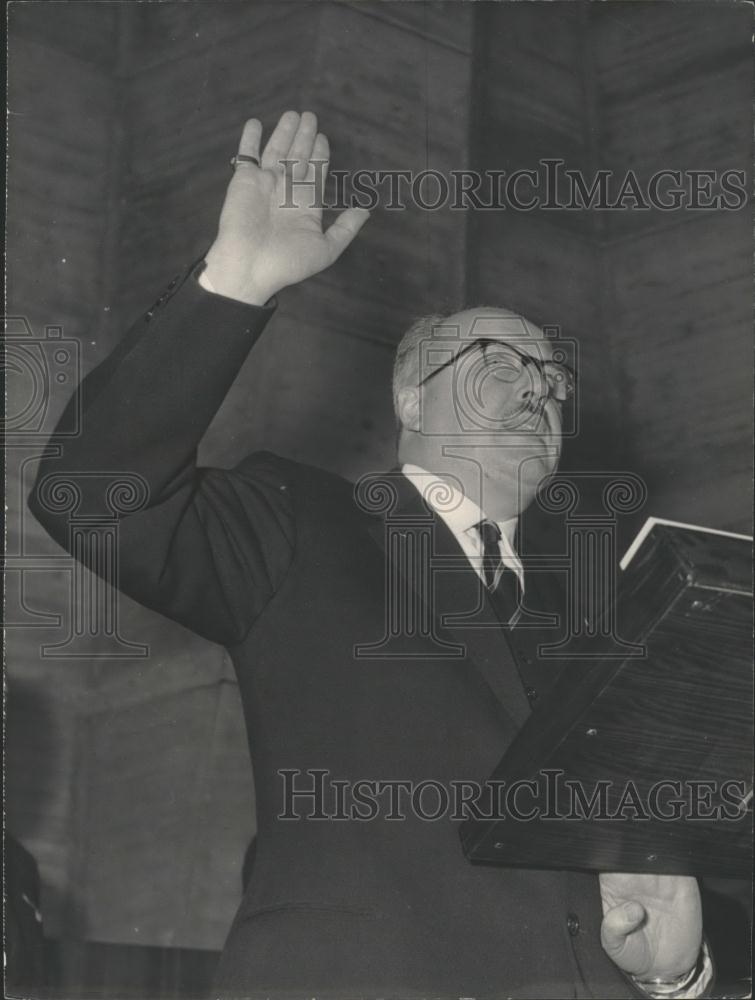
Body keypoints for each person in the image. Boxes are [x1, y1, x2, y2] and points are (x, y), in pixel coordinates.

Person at [30, 111, 712, 998]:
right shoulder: (301, 521)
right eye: (500, 361)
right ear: (408, 392)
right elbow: (88, 493)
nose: (536, 390)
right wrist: (237, 280)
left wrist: (677, 977)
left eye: (553, 380)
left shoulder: (609, 614)